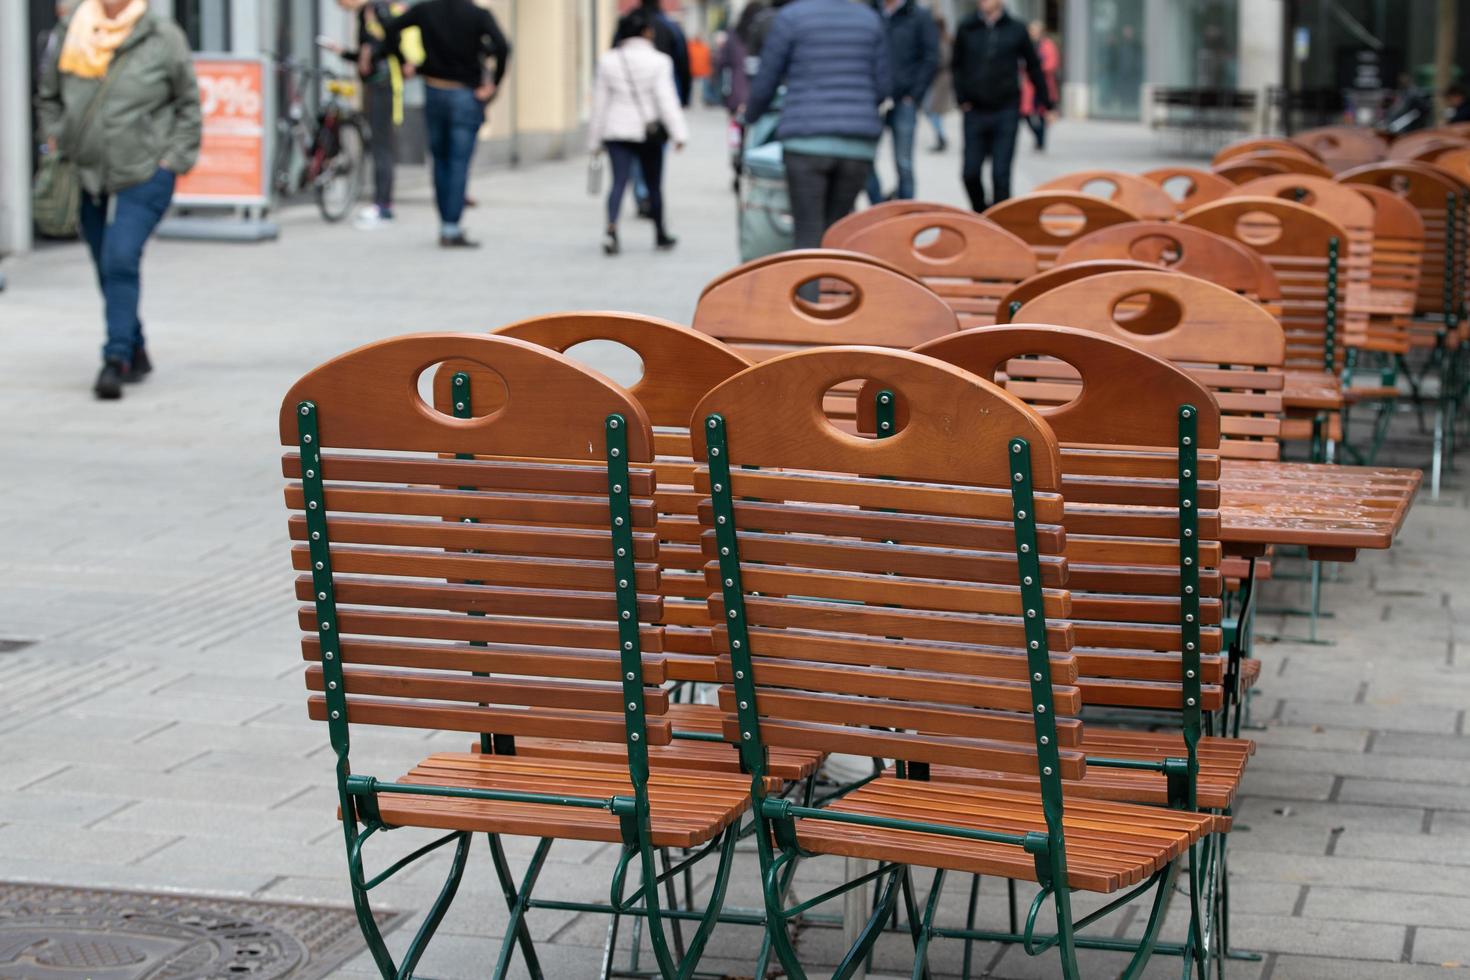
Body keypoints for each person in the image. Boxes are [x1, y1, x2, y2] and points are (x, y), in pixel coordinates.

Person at [37, 0, 201, 401]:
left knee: (120, 258)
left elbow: (188, 105)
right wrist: (58, 135)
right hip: (84, 169)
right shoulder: (73, 31)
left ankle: (116, 358)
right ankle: (136, 345)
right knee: (104, 262)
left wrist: (172, 161)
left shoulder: (162, 37)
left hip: (145, 171)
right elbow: (48, 95)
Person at [746, 0, 888, 268]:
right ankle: (836, 303)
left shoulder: (791, 17)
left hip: (805, 142)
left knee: (808, 231)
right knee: (837, 230)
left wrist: (750, 116)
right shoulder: (869, 19)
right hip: (857, 145)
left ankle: (808, 304)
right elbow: (882, 86)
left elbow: (766, 79)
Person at [379, 0, 510, 248]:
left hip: (434, 90)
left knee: (440, 161)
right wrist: (493, 82)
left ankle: (445, 225)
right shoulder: (477, 14)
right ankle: (452, 227)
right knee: (458, 163)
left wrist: (405, 61)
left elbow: (390, 29)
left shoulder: (426, 10)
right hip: (465, 95)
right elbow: (503, 46)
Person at [588, 9, 688, 255]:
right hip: (648, 132)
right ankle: (660, 233)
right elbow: (666, 100)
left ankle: (611, 229)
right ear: (646, 32)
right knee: (654, 184)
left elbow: (600, 103)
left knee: (618, 182)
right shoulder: (659, 61)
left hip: (616, 130)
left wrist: (594, 140)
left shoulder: (608, 61)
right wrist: (679, 134)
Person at [951, 0, 1049, 212]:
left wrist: (1048, 103)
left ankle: (1000, 225)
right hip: (974, 111)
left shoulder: (1016, 29)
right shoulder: (966, 27)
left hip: (1006, 110)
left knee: (1001, 175)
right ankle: (983, 214)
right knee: (970, 173)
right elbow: (956, 66)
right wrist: (961, 98)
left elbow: (1033, 67)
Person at [324, 0, 414, 227]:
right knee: (380, 144)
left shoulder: (375, 10)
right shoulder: (369, 12)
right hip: (377, 83)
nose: (340, 5)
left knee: (382, 145)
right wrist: (345, 53)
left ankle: (383, 205)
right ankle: (382, 204)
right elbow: (371, 56)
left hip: (383, 84)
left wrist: (371, 49)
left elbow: (392, 40)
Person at [616, 0, 690, 220]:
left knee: (633, 156)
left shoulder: (627, 23)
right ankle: (648, 192)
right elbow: (683, 63)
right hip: (660, 105)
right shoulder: (670, 27)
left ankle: (641, 193)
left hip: (626, 101)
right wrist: (683, 99)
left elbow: (613, 54)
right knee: (654, 152)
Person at [865, 0, 937, 203]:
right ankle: (878, 207)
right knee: (864, 159)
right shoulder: (870, 13)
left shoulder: (918, 15)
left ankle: (906, 213)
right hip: (872, 101)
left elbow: (930, 57)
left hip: (904, 101)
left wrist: (914, 95)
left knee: (904, 163)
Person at [1019, 20, 1058, 151]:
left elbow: (1052, 63)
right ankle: (1037, 135)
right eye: (1031, 31)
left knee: (1042, 113)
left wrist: (1036, 69)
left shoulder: (1048, 45)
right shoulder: (1027, 45)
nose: (1032, 33)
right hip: (1029, 85)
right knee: (1026, 113)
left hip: (1043, 83)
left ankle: (1041, 140)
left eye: (1035, 31)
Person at [923, 15, 953, 152]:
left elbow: (944, 60)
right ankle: (940, 136)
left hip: (940, 80)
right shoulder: (941, 40)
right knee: (932, 110)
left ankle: (941, 137)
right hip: (938, 79)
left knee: (932, 109)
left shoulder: (942, 41)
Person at [688, 33, 714, 106]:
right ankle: (689, 100)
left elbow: (709, 59)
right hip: (694, 70)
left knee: (705, 88)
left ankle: (707, 99)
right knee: (691, 87)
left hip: (703, 71)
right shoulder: (691, 46)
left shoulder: (704, 47)